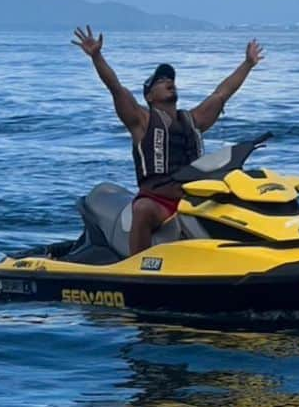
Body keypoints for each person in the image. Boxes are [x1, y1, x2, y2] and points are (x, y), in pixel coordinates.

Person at [71, 27, 265, 255]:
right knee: (142, 209)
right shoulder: (141, 121)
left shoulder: (193, 120)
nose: (169, 82)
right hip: (158, 200)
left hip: (194, 198)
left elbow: (222, 93)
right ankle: (136, 267)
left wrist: (248, 64)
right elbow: (115, 88)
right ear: (149, 96)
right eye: (161, 80)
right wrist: (97, 56)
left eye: (171, 79)